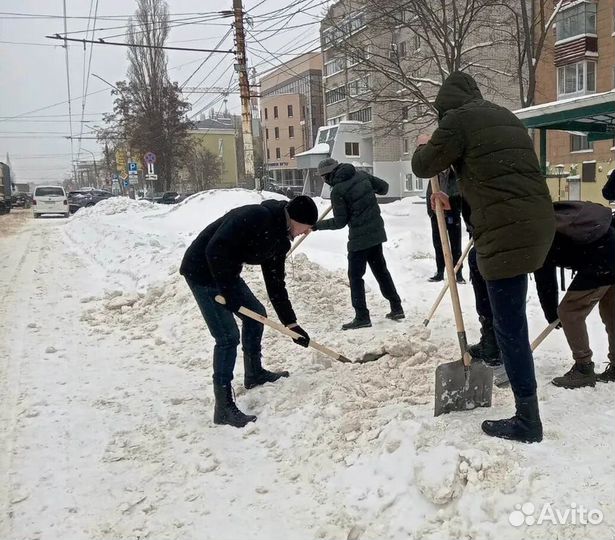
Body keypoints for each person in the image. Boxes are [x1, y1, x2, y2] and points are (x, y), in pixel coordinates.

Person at [412, 71, 555, 443]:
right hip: (535, 222)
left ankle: (528, 419)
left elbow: (424, 165)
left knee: (512, 323)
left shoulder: (456, 120)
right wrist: (449, 196)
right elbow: (490, 174)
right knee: (478, 269)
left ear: (445, 107)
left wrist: (424, 144)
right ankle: (490, 339)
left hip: (506, 231)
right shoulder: (505, 117)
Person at [179, 196, 318, 428]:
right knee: (227, 337)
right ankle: (223, 407)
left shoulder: (279, 240)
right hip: (202, 271)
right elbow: (215, 248)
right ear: (296, 220)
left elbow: (276, 284)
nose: (306, 233)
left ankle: (254, 373)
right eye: (307, 227)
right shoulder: (257, 217)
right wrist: (228, 295)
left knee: (257, 314)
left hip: (225, 272)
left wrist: (291, 324)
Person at [312, 158, 404, 329]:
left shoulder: (338, 191)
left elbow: (340, 222)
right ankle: (396, 307)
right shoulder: (362, 175)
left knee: (355, 277)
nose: (324, 181)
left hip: (359, 239)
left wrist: (317, 226)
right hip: (376, 233)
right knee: (381, 271)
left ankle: (362, 316)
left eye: (323, 177)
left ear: (329, 175)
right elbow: (384, 188)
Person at [534, 201, 615, 388]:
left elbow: (545, 279)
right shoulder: (547, 215)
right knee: (612, 312)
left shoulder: (537, 235)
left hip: (601, 258)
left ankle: (583, 367)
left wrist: (552, 313)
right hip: (610, 245)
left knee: (570, 311)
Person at [425, 166, 465, 283]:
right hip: (437, 216)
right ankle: (440, 272)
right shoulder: (434, 177)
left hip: (452, 215)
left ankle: (458, 273)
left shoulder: (455, 174)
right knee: (438, 245)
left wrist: (455, 209)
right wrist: (432, 214)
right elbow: (429, 194)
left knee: (455, 246)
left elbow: (459, 194)